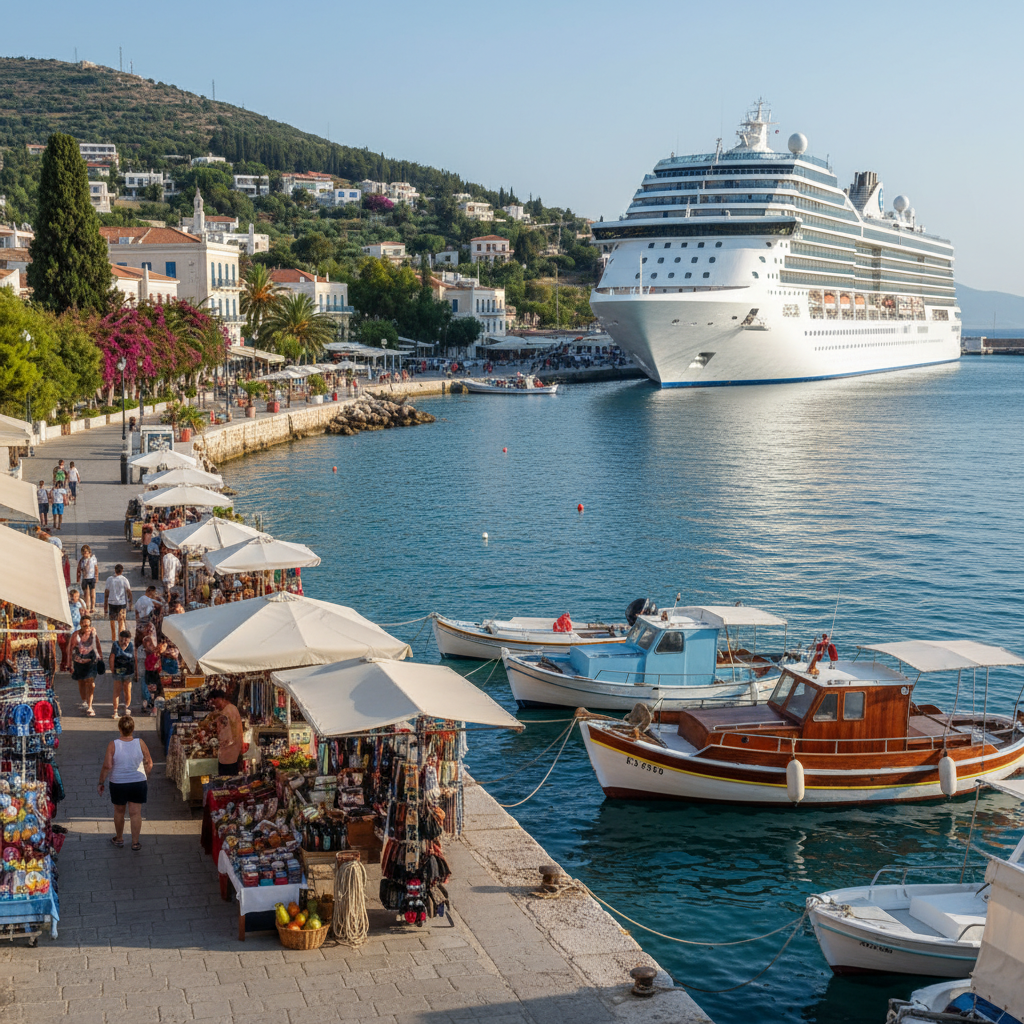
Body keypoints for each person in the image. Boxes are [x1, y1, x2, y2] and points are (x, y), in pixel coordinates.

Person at [97, 715, 152, 851]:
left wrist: (101, 782)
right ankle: (135, 842)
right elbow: (149, 763)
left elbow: (107, 766)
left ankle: (119, 838)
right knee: (135, 813)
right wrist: (145, 775)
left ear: (119, 729)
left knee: (119, 811)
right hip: (138, 782)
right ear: (133, 729)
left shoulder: (113, 744)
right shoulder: (140, 742)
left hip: (118, 783)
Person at [204, 689, 244, 775]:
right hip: (228, 752)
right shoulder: (226, 710)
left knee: (227, 778)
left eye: (214, 703)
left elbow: (229, 733)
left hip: (230, 752)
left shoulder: (229, 710)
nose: (215, 706)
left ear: (219, 699)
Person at [70, 614, 103, 716]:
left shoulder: (93, 634)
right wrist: (69, 663)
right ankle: (84, 700)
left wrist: (100, 658)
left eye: (88, 625)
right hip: (79, 662)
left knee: (90, 683)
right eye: (84, 625)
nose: (86, 627)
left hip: (91, 662)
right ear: (80, 624)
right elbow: (70, 649)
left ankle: (90, 706)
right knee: (81, 682)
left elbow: (97, 645)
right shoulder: (76, 635)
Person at [109, 630, 135, 718]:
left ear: (129, 639)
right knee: (117, 690)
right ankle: (115, 711)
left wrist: (136, 672)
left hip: (129, 672)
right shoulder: (115, 645)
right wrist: (112, 670)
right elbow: (112, 658)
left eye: (126, 640)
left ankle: (126, 707)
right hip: (118, 671)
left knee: (127, 690)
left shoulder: (131, 645)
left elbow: (134, 659)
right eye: (122, 640)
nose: (124, 642)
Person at [60, 588, 87, 672]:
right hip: (70, 628)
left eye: (76, 596)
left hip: (79, 627)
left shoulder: (81, 603)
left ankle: (79, 663)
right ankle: (69, 664)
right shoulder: (67, 605)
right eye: (72, 596)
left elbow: (86, 614)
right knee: (69, 647)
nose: (74, 598)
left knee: (79, 646)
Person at [103, 564, 132, 643]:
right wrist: (130, 603)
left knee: (112, 621)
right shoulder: (124, 580)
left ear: (115, 570)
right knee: (121, 621)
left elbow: (106, 593)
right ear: (122, 571)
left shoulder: (109, 579)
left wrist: (105, 607)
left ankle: (113, 638)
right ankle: (120, 638)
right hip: (121, 603)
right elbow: (129, 592)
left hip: (111, 603)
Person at [141, 629, 166, 713]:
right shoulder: (153, 655)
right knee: (153, 691)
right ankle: (152, 707)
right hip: (152, 673)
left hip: (151, 673)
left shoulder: (154, 654)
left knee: (153, 691)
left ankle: (151, 706)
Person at [77, 545, 98, 613]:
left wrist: (96, 576)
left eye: (86, 552)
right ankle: (87, 607)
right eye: (83, 552)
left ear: (89, 552)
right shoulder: (82, 560)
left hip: (92, 578)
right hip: (85, 578)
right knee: (86, 594)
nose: (85, 554)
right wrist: (78, 578)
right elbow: (79, 569)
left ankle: (93, 607)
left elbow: (96, 568)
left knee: (92, 593)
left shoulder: (93, 559)